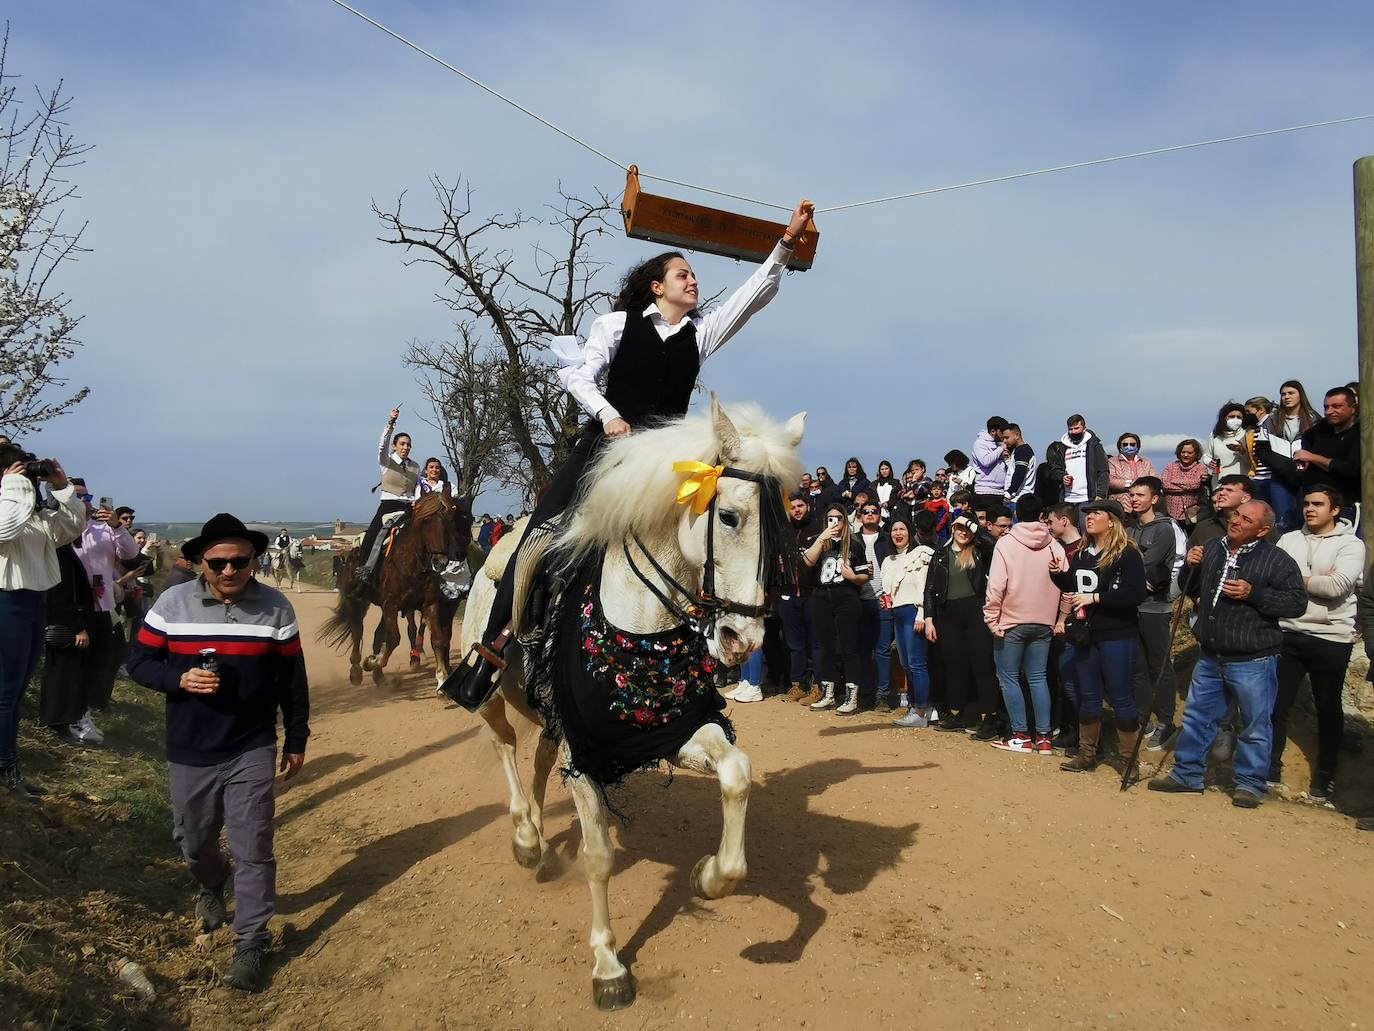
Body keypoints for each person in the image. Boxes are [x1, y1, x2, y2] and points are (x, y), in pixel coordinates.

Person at [448, 199, 817, 709]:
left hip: (665, 462)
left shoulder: (700, 333)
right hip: (608, 450)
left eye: (694, 276)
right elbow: (577, 374)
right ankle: (490, 653)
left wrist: (785, 244)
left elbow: (748, 301)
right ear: (657, 286)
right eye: (682, 274)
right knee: (541, 537)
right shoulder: (616, 326)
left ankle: (690, 657)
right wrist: (606, 414)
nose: (693, 281)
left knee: (701, 542)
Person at [127, 513, 310, 991]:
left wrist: (296, 738)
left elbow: (293, 681)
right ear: (200, 562)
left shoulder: (276, 609)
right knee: (194, 838)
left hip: (251, 744)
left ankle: (251, 940)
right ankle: (210, 883)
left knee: (255, 847)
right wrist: (179, 679)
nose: (229, 571)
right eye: (218, 563)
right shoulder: (170, 604)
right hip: (189, 747)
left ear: (253, 561)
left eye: (240, 562)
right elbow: (139, 663)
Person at [1149, 501, 1306, 807]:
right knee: (1196, 718)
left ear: (1263, 530)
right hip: (1210, 653)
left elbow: (1296, 603)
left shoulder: (1277, 560)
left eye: (1246, 519)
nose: (1236, 520)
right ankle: (1187, 774)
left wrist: (1254, 594)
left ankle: (1249, 784)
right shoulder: (1212, 547)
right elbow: (1186, 588)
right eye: (1236, 514)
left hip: (1253, 657)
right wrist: (1191, 567)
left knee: (1254, 723)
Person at [0, 445, 85, 800]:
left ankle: (9, 763)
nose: (30, 480)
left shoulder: (31, 512)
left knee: (16, 693)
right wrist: (15, 488)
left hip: (34, 603)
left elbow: (73, 528)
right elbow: (4, 531)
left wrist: (61, 488)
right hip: (6, 603)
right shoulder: (11, 505)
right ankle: (6, 768)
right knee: (4, 693)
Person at [1269, 486, 1363, 801]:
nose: (1310, 509)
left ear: (1335, 509)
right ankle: (1270, 770)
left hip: (1332, 636)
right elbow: (1272, 580)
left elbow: (1337, 587)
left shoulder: (1351, 544)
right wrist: (1311, 582)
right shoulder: (1288, 539)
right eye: (1307, 504)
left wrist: (1294, 580)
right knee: (1276, 705)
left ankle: (1325, 776)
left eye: (1318, 504)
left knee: (1328, 707)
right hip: (1288, 631)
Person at [1050, 499, 1148, 778]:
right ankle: (1087, 753)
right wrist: (1058, 575)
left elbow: (1134, 594)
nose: (1089, 517)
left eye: (1096, 513)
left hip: (1117, 634)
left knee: (1120, 697)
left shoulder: (1126, 554)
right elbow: (1074, 585)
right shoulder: (1083, 553)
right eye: (1088, 513)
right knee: (1088, 696)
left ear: (1113, 520)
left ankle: (1130, 760)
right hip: (1086, 634)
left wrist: (1096, 598)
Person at [983, 494, 1066, 754]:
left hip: (1011, 621)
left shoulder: (1006, 544)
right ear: (1042, 515)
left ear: (1016, 513)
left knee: (1008, 677)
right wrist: (1060, 618)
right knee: (1038, 678)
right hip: (1044, 621)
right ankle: (1043, 738)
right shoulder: (1054, 545)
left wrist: (991, 617)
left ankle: (1021, 735)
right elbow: (1067, 587)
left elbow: (996, 585)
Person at [925, 515, 1000, 738]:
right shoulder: (940, 554)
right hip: (947, 615)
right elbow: (929, 588)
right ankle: (963, 713)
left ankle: (990, 717)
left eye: (967, 528)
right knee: (955, 667)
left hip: (975, 613)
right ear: (952, 528)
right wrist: (929, 618)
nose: (963, 532)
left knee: (981, 666)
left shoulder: (980, 551)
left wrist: (975, 527)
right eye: (959, 527)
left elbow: (992, 544)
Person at [1124, 477, 1183, 751]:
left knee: (1159, 666)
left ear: (1154, 498)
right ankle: (1143, 717)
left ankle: (1166, 721)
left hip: (1156, 608)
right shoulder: (1130, 529)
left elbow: (1142, 564)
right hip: (1134, 606)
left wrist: (1129, 575)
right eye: (1132, 494)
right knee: (1137, 665)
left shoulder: (1164, 530)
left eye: (1140, 494)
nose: (1134, 499)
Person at [75, 492, 140, 725]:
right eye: (77, 496)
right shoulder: (60, 525)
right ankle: (71, 711)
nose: (84, 501)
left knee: (101, 660)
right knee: (72, 664)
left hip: (103, 605)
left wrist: (116, 526)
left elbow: (131, 554)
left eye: (87, 496)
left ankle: (89, 707)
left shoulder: (103, 529)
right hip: (71, 605)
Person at [803, 501, 870, 713]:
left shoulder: (855, 543)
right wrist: (821, 538)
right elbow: (806, 562)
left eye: (839, 518)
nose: (835, 522)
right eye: (831, 518)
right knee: (826, 648)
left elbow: (865, 575)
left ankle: (851, 698)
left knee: (849, 648)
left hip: (846, 598)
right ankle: (828, 694)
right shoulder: (820, 542)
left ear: (845, 520)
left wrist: (854, 577)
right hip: (821, 597)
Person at [40, 542, 100, 744]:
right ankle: (59, 722)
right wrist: (76, 627)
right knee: (63, 675)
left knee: (68, 674)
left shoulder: (63, 549)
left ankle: (63, 721)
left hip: (67, 623)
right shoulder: (59, 552)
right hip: (65, 627)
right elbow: (59, 593)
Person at [883, 517, 937, 727]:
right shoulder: (888, 560)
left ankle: (921, 711)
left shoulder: (921, 553)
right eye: (894, 529)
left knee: (917, 664)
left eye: (902, 529)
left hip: (915, 613)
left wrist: (922, 614)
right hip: (897, 614)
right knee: (906, 664)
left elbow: (925, 587)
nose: (898, 533)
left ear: (910, 532)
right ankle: (915, 707)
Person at [356, 408, 421, 584]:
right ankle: (364, 572)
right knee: (371, 536)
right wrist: (391, 423)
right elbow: (382, 445)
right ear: (395, 446)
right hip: (389, 506)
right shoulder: (386, 461)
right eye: (402, 444)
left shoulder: (415, 466)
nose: (406, 447)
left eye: (408, 445)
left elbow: (419, 487)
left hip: (409, 508)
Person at [1044, 502, 1084, 752]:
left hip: (1075, 622)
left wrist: (1062, 618)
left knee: (1074, 681)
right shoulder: (1057, 548)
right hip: (1057, 622)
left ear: (1064, 521)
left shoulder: (1082, 550)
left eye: (1050, 521)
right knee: (1063, 679)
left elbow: (1072, 590)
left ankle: (1082, 736)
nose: (1048, 526)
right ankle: (1068, 730)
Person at [781, 493, 822, 703]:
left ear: (808, 506)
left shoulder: (817, 529)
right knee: (794, 645)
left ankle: (818, 687)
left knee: (816, 643)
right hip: (788, 596)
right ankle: (798, 685)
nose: (796, 510)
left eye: (800, 506)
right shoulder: (784, 532)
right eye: (792, 507)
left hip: (813, 594)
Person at [1294, 386, 1360, 515]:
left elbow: (1351, 470)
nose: (1329, 411)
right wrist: (1303, 461)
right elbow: (1306, 436)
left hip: (1343, 504)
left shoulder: (1360, 434)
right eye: (1326, 407)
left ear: (1353, 409)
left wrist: (1313, 458)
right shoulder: (1321, 429)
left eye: (1337, 406)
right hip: (1311, 500)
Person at [1059, 414, 1109, 516]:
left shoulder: (1094, 445)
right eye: (1071, 429)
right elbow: (1057, 469)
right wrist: (1062, 477)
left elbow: (1103, 470)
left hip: (1088, 499)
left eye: (1076, 428)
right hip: (1068, 499)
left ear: (1084, 428)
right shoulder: (1062, 447)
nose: (1073, 432)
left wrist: (1101, 494)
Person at [1189, 474, 1253, 549]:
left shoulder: (1257, 526)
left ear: (1245, 498)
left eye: (1229, 490)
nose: (1221, 493)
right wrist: (1190, 558)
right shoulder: (1204, 527)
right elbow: (1190, 554)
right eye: (1221, 489)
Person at [1161, 438, 1208, 525]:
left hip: (1192, 514)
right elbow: (1165, 484)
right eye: (1183, 452)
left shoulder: (1201, 468)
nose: (1186, 455)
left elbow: (1196, 484)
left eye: (1190, 453)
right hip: (1170, 513)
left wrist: (1174, 481)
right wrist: (1187, 486)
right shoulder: (1171, 466)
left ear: (1196, 454)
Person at [1202, 402, 1250, 487]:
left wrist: (1242, 451)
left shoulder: (1247, 434)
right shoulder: (1215, 436)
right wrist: (1209, 462)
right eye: (1231, 416)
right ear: (1224, 418)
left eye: (1239, 417)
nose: (1235, 419)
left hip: (1242, 483)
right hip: (1219, 483)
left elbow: (1253, 462)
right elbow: (1207, 456)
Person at [1107, 432, 1156, 507]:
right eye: (1125, 444)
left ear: (1138, 446)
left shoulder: (1146, 462)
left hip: (1144, 501)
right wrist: (1132, 484)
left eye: (1132, 444)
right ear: (1120, 447)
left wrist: (1143, 487)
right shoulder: (1112, 461)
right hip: (1121, 502)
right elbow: (1110, 480)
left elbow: (1155, 478)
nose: (1129, 446)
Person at [971, 416, 1009, 510]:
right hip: (985, 492)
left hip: (1000, 492)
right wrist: (1000, 449)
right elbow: (985, 461)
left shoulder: (999, 444)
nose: (1004, 435)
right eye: (1002, 431)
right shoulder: (980, 443)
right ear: (993, 431)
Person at [1000, 423, 1038, 503]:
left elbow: (1019, 472)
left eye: (1007, 438)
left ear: (1017, 435)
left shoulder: (1022, 450)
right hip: (1019, 498)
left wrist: (1009, 492)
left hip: (1018, 499)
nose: (1004, 441)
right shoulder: (1019, 450)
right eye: (1003, 438)